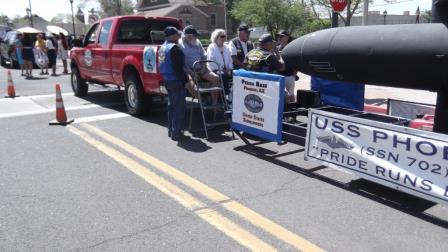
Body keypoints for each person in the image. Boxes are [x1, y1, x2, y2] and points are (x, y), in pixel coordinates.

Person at [158, 26, 189, 141]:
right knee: (179, 107)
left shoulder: (162, 47)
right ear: (171, 35)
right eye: (177, 34)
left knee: (171, 106)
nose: (179, 36)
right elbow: (178, 68)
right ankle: (177, 133)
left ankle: (171, 131)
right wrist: (185, 80)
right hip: (176, 80)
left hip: (167, 80)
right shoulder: (174, 48)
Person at [178, 25, 219, 102]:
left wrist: (203, 67)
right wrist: (192, 73)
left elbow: (204, 56)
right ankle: (202, 101)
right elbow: (181, 64)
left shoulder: (197, 42)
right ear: (189, 36)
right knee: (189, 82)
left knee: (215, 78)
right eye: (195, 36)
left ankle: (214, 104)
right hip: (188, 70)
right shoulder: (180, 45)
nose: (197, 37)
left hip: (201, 68)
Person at [206, 29, 233, 94]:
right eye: (222, 36)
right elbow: (211, 61)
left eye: (224, 36)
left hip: (227, 69)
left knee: (237, 74)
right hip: (215, 69)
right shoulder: (211, 47)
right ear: (216, 37)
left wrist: (229, 69)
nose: (224, 38)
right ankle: (227, 94)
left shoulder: (226, 47)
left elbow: (230, 60)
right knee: (223, 75)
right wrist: (222, 70)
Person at [276, 30, 297, 102]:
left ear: (287, 37)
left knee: (291, 95)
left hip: (289, 75)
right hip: (279, 76)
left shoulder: (293, 48)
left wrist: (294, 75)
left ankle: (293, 109)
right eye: (278, 36)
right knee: (281, 95)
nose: (279, 38)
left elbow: (296, 63)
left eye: (281, 36)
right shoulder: (277, 48)